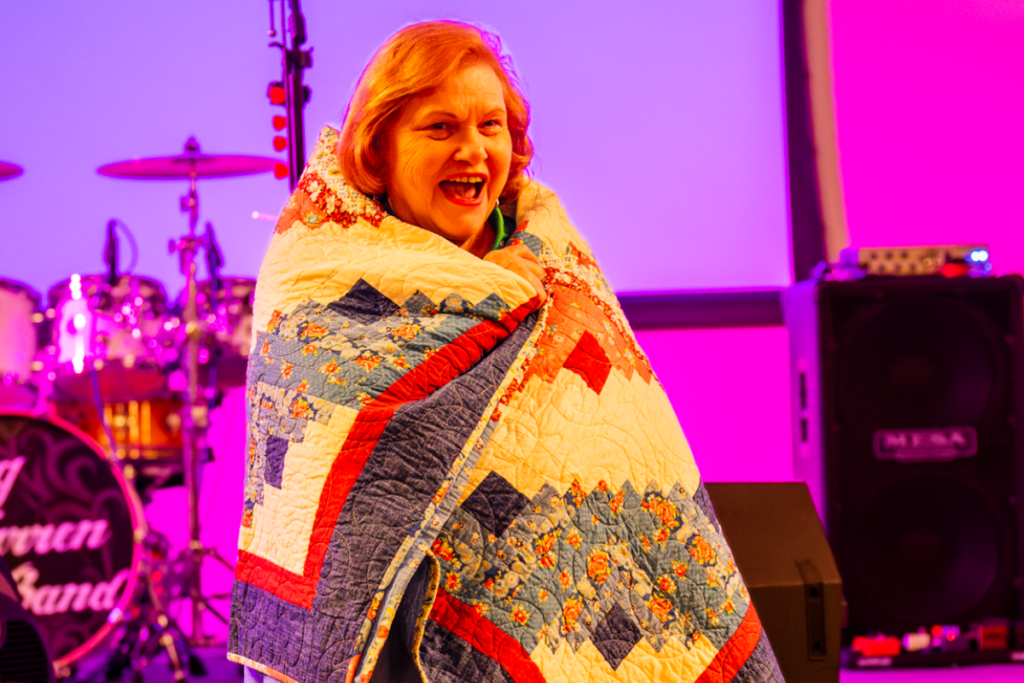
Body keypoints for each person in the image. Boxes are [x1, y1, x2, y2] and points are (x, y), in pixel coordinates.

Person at [229, 21, 783, 683]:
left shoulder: (555, 267)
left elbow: (625, 448)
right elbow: (317, 486)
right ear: (376, 152)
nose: (473, 151)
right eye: (441, 128)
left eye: (491, 127)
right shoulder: (318, 279)